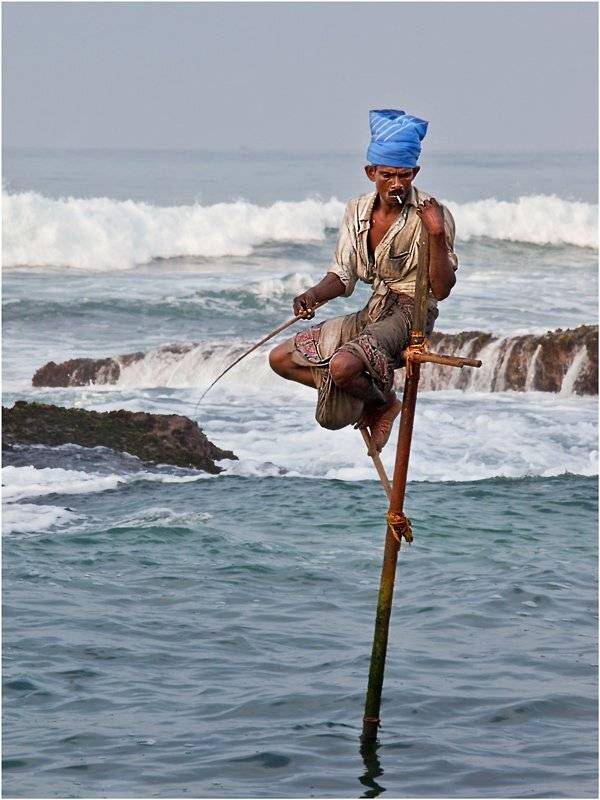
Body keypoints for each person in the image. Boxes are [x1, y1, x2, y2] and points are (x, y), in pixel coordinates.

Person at [269, 109, 458, 452]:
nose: (397, 184)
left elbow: (441, 290)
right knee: (281, 358)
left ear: (414, 172)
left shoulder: (433, 214)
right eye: (388, 175)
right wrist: (312, 295)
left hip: (410, 314)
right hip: (374, 310)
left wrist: (436, 234)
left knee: (342, 365)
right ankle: (368, 394)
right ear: (371, 173)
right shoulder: (356, 209)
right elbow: (344, 274)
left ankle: (382, 401)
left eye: (405, 175)